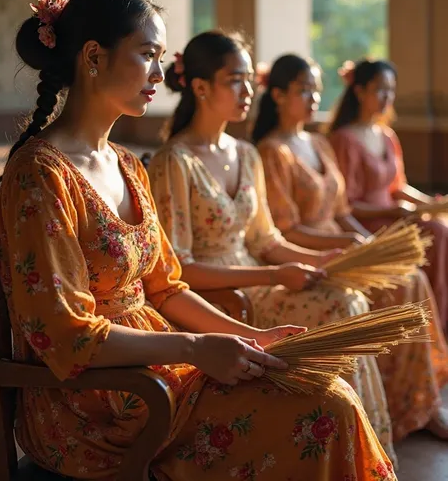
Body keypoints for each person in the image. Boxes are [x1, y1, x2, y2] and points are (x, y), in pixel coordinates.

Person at [0, 0, 395, 481]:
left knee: (327, 393)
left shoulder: (125, 165)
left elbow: (165, 286)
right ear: (93, 57)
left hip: (157, 370)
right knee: (322, 413)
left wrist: (254, 338)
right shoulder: (39, 175)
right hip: (95, 405)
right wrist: (194, 348)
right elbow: (64, 335)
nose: (161, 75)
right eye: (147, 56)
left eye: (160, 57)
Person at [148, 31, 395, 460]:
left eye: (249, 80)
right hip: (221, 298)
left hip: (259, 279)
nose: (248, 91)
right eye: (235, 81)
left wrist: (323, 258)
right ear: (201, 87)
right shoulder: (175, 161)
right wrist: (274, 274)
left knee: (346, 294)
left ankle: (362, 453)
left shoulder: (245, 153)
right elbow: (181, 268)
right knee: (340, 307)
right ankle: (345, 452)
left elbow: (266, 239)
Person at [252, 53, 448, 442]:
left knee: (411, 280)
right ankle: (396, 406)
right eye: (303, 90)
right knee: (400, 288)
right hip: (311, 250)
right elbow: (288, 229)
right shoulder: (272, 151)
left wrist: (368, 243)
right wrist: (347, 242)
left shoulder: (319, 143)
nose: (312, 98)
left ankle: (414, 402)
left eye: (316, 90)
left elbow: (342, 211)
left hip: (341, 244)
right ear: (277, 95)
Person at [328, 58, 448, 333]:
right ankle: (432, 325)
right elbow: (346, 205)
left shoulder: (386, 135)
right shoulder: (344, 139)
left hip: (396, 218)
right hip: (368, 224)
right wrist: (393, 212)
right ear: (359, 91)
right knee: (437, 235)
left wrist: (430, 204)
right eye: (380, 89)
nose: (387, 97)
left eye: (391, 90)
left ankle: (438, 323)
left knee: (441, 230)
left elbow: (398, 187)